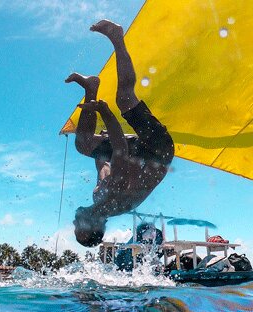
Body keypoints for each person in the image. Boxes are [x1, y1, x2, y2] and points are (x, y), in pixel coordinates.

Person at [66, 20, 174, 247]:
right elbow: (120, 150)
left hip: (136, 152)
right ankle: (117, 37)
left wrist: (98, 135)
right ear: (94, 225)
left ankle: (90, 87)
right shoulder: (114, 200)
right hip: (159, 149)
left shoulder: (98, 197)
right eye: (80, 228)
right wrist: (103, 111)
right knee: (124, 98)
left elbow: (103, 161)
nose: (74, 223)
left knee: (83, 144)